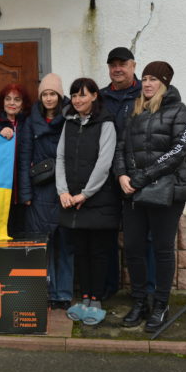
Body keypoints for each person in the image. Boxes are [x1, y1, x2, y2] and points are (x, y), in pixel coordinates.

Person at [113, 61, 186, 332]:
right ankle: (140, 302)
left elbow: (178, 152)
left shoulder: (179, 111)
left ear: (164, 83)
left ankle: (161, 304)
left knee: (161, 250)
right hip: (133, 191)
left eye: (153, 79)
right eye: (145, 78)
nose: (147, 83)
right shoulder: (135, 111)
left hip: (167, 193)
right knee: (134, 248)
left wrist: (141, 178)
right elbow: (121, 148)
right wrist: (122, 176)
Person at [56, 78, 119, 326]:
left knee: (99, 252)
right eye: (74, 96)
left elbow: (104, 163)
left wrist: (86, 193)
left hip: (98, 201)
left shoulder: (106, 123)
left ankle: (96, 299)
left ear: (94, 96)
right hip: (72, 200)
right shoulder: (69, 123)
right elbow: (60, 157)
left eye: (83, 95)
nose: (78, 100)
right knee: (80, 252)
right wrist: (63, 191)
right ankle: (83, 298)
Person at [18, 73, 73, 310]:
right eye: (45, 94)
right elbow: (24, 157)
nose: (49, 98)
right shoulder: (32, 121)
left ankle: (64, 293)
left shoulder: (71, 118)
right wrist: (26, 193)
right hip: (39, 192)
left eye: (53, 94)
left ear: (60, 96)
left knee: (65, 244)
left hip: (64, 191)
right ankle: (47, 291)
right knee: (43, 245)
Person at [98, 46, 148, 300]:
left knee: (138, 238)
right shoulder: (100, 96)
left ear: (133, 66)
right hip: (105, 177)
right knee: (106, 235)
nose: (117, 69)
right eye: (112, 65)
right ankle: (108, 288)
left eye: (122, 64)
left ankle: (145, 293)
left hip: (135, 177)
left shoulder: (145, 94)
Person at [0, 83, 31, 237]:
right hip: (0, 187)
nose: (12, 103)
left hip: (23, 189)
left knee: (22, 234)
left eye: (17, 99)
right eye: (8, 99)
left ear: (23, 104)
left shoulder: (28, 123)